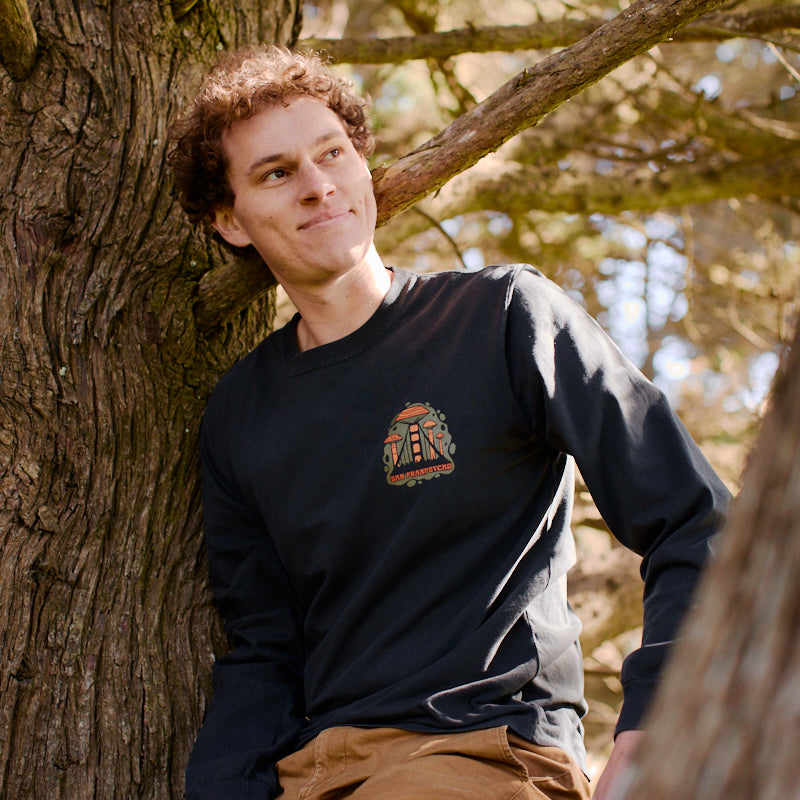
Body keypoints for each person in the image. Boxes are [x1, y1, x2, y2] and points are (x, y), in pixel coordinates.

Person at [168, 45, 730, 800]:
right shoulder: (241, 410)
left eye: (332, 154)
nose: (318, 185)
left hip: (488, 750)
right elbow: (265, 651)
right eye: (276, 173)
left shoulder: (503, 319)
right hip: (315, 775)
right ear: (230, 221)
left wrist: (658, 723)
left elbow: (696, 521)